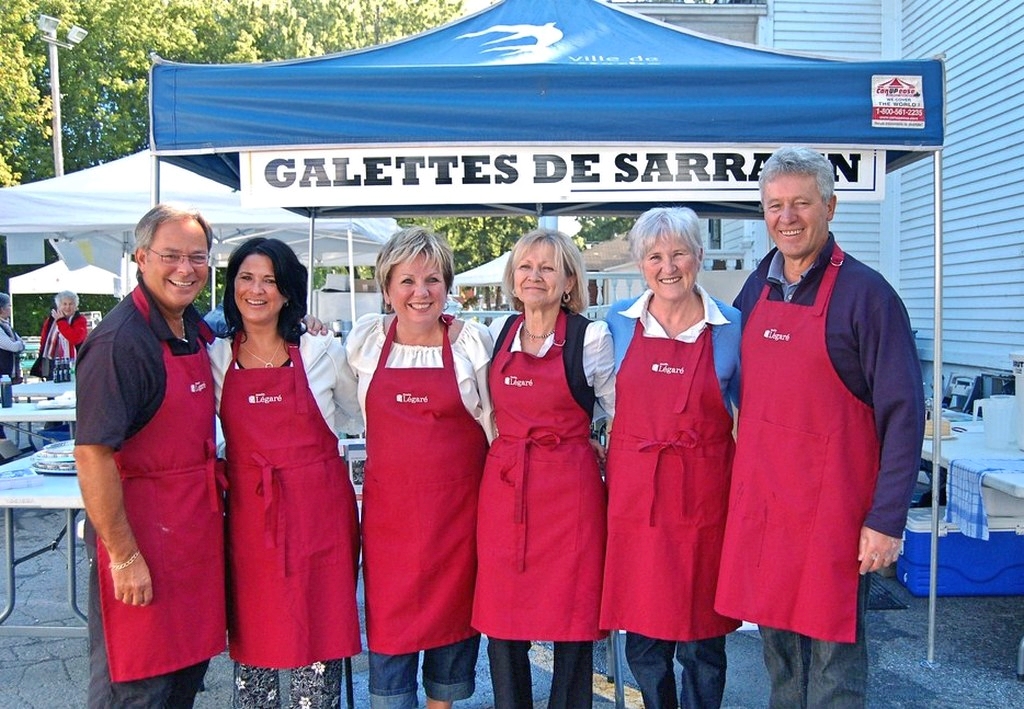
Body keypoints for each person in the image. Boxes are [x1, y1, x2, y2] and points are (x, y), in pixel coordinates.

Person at [714, 147, 925, 708]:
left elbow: (904, 416)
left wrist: (887, 520)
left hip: (836, 513)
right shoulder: (754, 291)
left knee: (834, 664)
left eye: (801, 203)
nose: (787, 217)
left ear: (830, 208)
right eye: (775, 206)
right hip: (767, 508)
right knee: (779, 657)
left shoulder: (868, 296)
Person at [74, 204, 227, 708]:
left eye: (197, 257)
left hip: (189, 540)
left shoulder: (192, 327)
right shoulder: (120, 343)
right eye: (171, 256)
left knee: (180, 683)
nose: (185, 269)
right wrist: (126, 557)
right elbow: (93, 455)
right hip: (143, 543)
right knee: (138, 690)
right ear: (142, 258)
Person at [208, 237, 363, 708]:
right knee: (255, 641)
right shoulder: (214, 356)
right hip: (252, 521)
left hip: (318, 518)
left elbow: (356, 416)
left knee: (316, 642)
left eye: (270, 281)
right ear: (232, 285)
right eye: (247, 278)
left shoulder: (320, 351)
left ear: (288, 291)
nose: (257, 290)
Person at [345, 226, 494, 709]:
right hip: (391, 527)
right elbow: (346, 409)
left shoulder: (473, 343)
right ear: (387, 288)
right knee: (390, 637)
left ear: (447, 286)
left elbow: (493, 423)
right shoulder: (364, 343)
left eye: (432, 279)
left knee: (453, 635)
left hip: (458, 522)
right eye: (406, 281)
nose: (420, 292)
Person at [599, 207, 741, 709]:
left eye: (679, 252)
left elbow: (754, 411)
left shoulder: (732, 327)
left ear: (699, 256)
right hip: (638, 504)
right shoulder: (615, 324)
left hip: (705, 503)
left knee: (703, 640)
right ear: (640, 263)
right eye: (655, 256)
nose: (668, 266)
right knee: (645, 638)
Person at [473, 228, 616, 709]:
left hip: (569, 492)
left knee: (573, 619)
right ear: (513, 278)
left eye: (547, 267)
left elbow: (619, 413)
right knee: (502, 619)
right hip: (506, 483)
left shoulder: (591, 338)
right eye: (526, 267)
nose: (534, 276)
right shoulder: (497, 334)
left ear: (568, 281)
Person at [35, 289, 88, 377]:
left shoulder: (80, 320)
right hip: (52, 362)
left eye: (71, 304)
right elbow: (44, 341)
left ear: (76, 306)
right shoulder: (50, 321)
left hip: (73, 362)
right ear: (58, 306)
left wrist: (61, 321)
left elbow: (75, 339)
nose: (68, 307)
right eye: (64, 304)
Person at [0, 292, 26, 383]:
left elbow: (22, 344)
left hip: (10, 372)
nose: (10, 308)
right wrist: (18, 344)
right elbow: (13, 347)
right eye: (9, 306)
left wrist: (18, 344)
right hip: (2, 374)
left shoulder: (6, 325)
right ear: (2, 309)